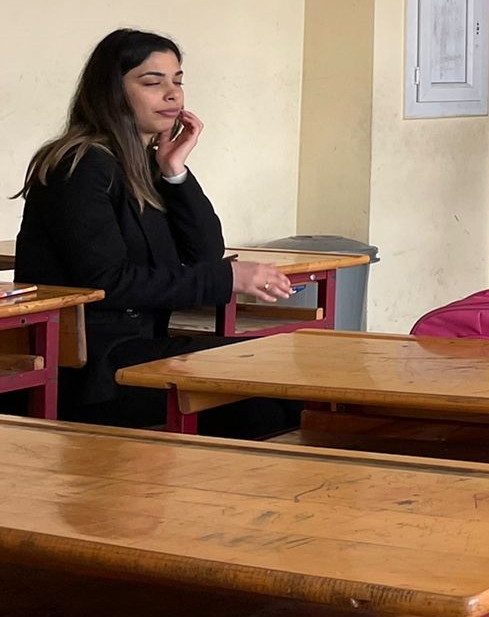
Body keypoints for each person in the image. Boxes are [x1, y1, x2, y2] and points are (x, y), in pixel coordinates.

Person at [11, 29, 299, 434]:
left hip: (137, 350)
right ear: (112, 91)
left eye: (177, 80)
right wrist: (226, 278)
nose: (172, 94)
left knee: (282, 377)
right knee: (263, 395)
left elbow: (204, 253)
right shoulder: (79, 166)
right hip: (92, 371)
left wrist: (175, 171)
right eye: (152, 82)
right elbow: (107, 281)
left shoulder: (145, 163)